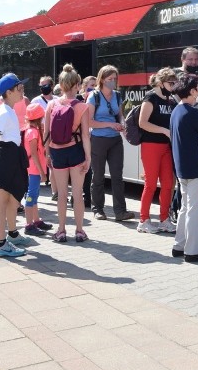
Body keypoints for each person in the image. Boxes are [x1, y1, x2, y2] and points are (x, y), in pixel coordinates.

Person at [0, 75, 33, 257]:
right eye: (19, 88)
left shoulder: (9, 110)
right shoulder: (4, 112)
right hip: (5, 157)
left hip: (12, 155)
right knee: (1, 202)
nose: (22, 91)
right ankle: (0, 244)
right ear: (9, 92)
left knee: (14, 198)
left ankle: (12, 234)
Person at [170, 74, 198, 263]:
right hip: (197, 166)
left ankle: (179, 245)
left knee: (185, 208)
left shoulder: (177, 111)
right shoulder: (192, 112)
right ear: (191, 91)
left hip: (181, 166)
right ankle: (193, 250)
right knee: (194, 211)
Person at [43, 64, 91, 242]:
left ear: (61, 85)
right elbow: (85, 135)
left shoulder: (51, 105)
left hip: (57, 152)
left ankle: (61, 230)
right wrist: (88, 157)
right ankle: (79, 231)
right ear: (77, 85)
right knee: (77, 193)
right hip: (76, 150)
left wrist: (47, 154)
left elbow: (46, 133)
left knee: (61, 194)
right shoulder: (82, 107)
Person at [136, 68, 178, 234]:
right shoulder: (150, 98)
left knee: (168, 183)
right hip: (151, 145)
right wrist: (163, 130)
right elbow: (142, 123)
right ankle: (143, 220)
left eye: (174, 83)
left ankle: (164, 220)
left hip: (166, 146)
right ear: (161, 83)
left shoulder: (170, 99)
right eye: (171, 83)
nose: (173, 86)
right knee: (151, 184)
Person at [88, 65, 132, 221]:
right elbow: (89, 122)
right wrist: (110, 124)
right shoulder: (94, 96)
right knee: (98, 176)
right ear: (102, 79)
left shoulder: (117, 95)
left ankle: (120, 211)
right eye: (109, 79)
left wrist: (122, 123)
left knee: (117, 176)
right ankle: (98, 209)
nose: (112, 82)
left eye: (115, 79)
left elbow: (120, 115)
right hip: (98, 139)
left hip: (115, 140)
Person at [22, 103, 54, 236]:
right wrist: (42, 171)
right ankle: (29, 225)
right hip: (34, 169)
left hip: (34, 168)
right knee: (31, 196)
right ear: (39, 117)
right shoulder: (32, 132)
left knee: (34, 195)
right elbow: (34, 153)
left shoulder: (33, 130)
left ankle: (36, 221)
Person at [80, 75, 98, 206]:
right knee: (79, 168)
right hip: (79, 138)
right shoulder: (78, 100)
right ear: (84, 87)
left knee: (89, 169)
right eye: (91, 85)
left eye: (95, 85)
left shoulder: (97, 100)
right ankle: (77, 196)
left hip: (92, 137)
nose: (93, 88)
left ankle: (87, 197)